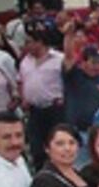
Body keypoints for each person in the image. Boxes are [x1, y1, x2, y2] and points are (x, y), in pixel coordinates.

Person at [18, 27, 66, 169]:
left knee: (56, 142)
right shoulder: (25, 61)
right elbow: (20, 81)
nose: (26, 45)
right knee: (36, 146)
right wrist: (23, 98)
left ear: (40, 42)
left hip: (54, 108)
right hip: (34, 110)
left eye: (29, 42)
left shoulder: (59, 59)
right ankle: (40, 172)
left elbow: (69, 81)